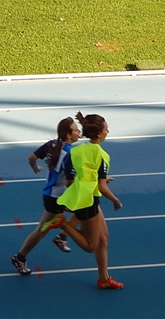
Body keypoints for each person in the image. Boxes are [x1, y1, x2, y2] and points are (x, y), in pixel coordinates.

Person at [42, 111, 124, 290]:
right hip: (88, 201)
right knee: (90, 245)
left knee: (103, 238)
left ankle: (104, 278)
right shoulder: (102, 155)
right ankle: (63, 224)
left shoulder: (76, 150)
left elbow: (70, 179)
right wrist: (115, 200)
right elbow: (102, 187)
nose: (107, 132)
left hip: (79, 195)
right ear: (99, 133)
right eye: (106, 129)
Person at [10, 117, 81, 275]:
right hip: (57, 197)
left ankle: (61, 237)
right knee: (42, 230)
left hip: (51, 194)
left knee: (83, 211)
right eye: (76, 130)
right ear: (69, 135)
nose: (79, 132)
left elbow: (31, 158)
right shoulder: (70, 153)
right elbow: (70, 182)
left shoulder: (52, 144)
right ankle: (20, 257)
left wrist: (35, 168)